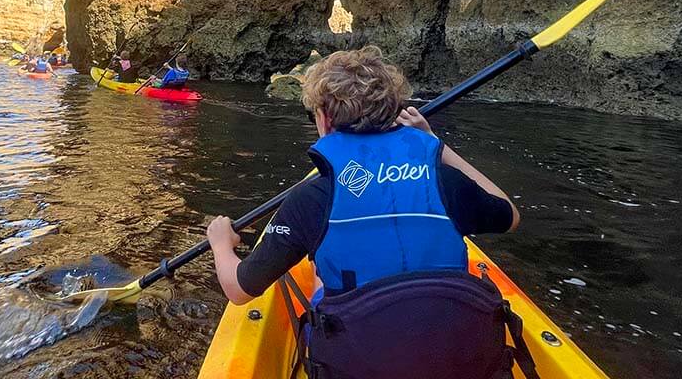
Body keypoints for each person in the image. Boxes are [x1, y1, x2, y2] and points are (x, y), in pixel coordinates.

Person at [205, 46, 525, 379]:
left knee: (321, 269)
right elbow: (510, 214)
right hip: (457, 359)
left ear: (325, 119)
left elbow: (239, 289)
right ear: (393, 111)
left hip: (359, 363)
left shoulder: (312, 198)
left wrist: (221, 244)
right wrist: (434, 145)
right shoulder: (446, 182)